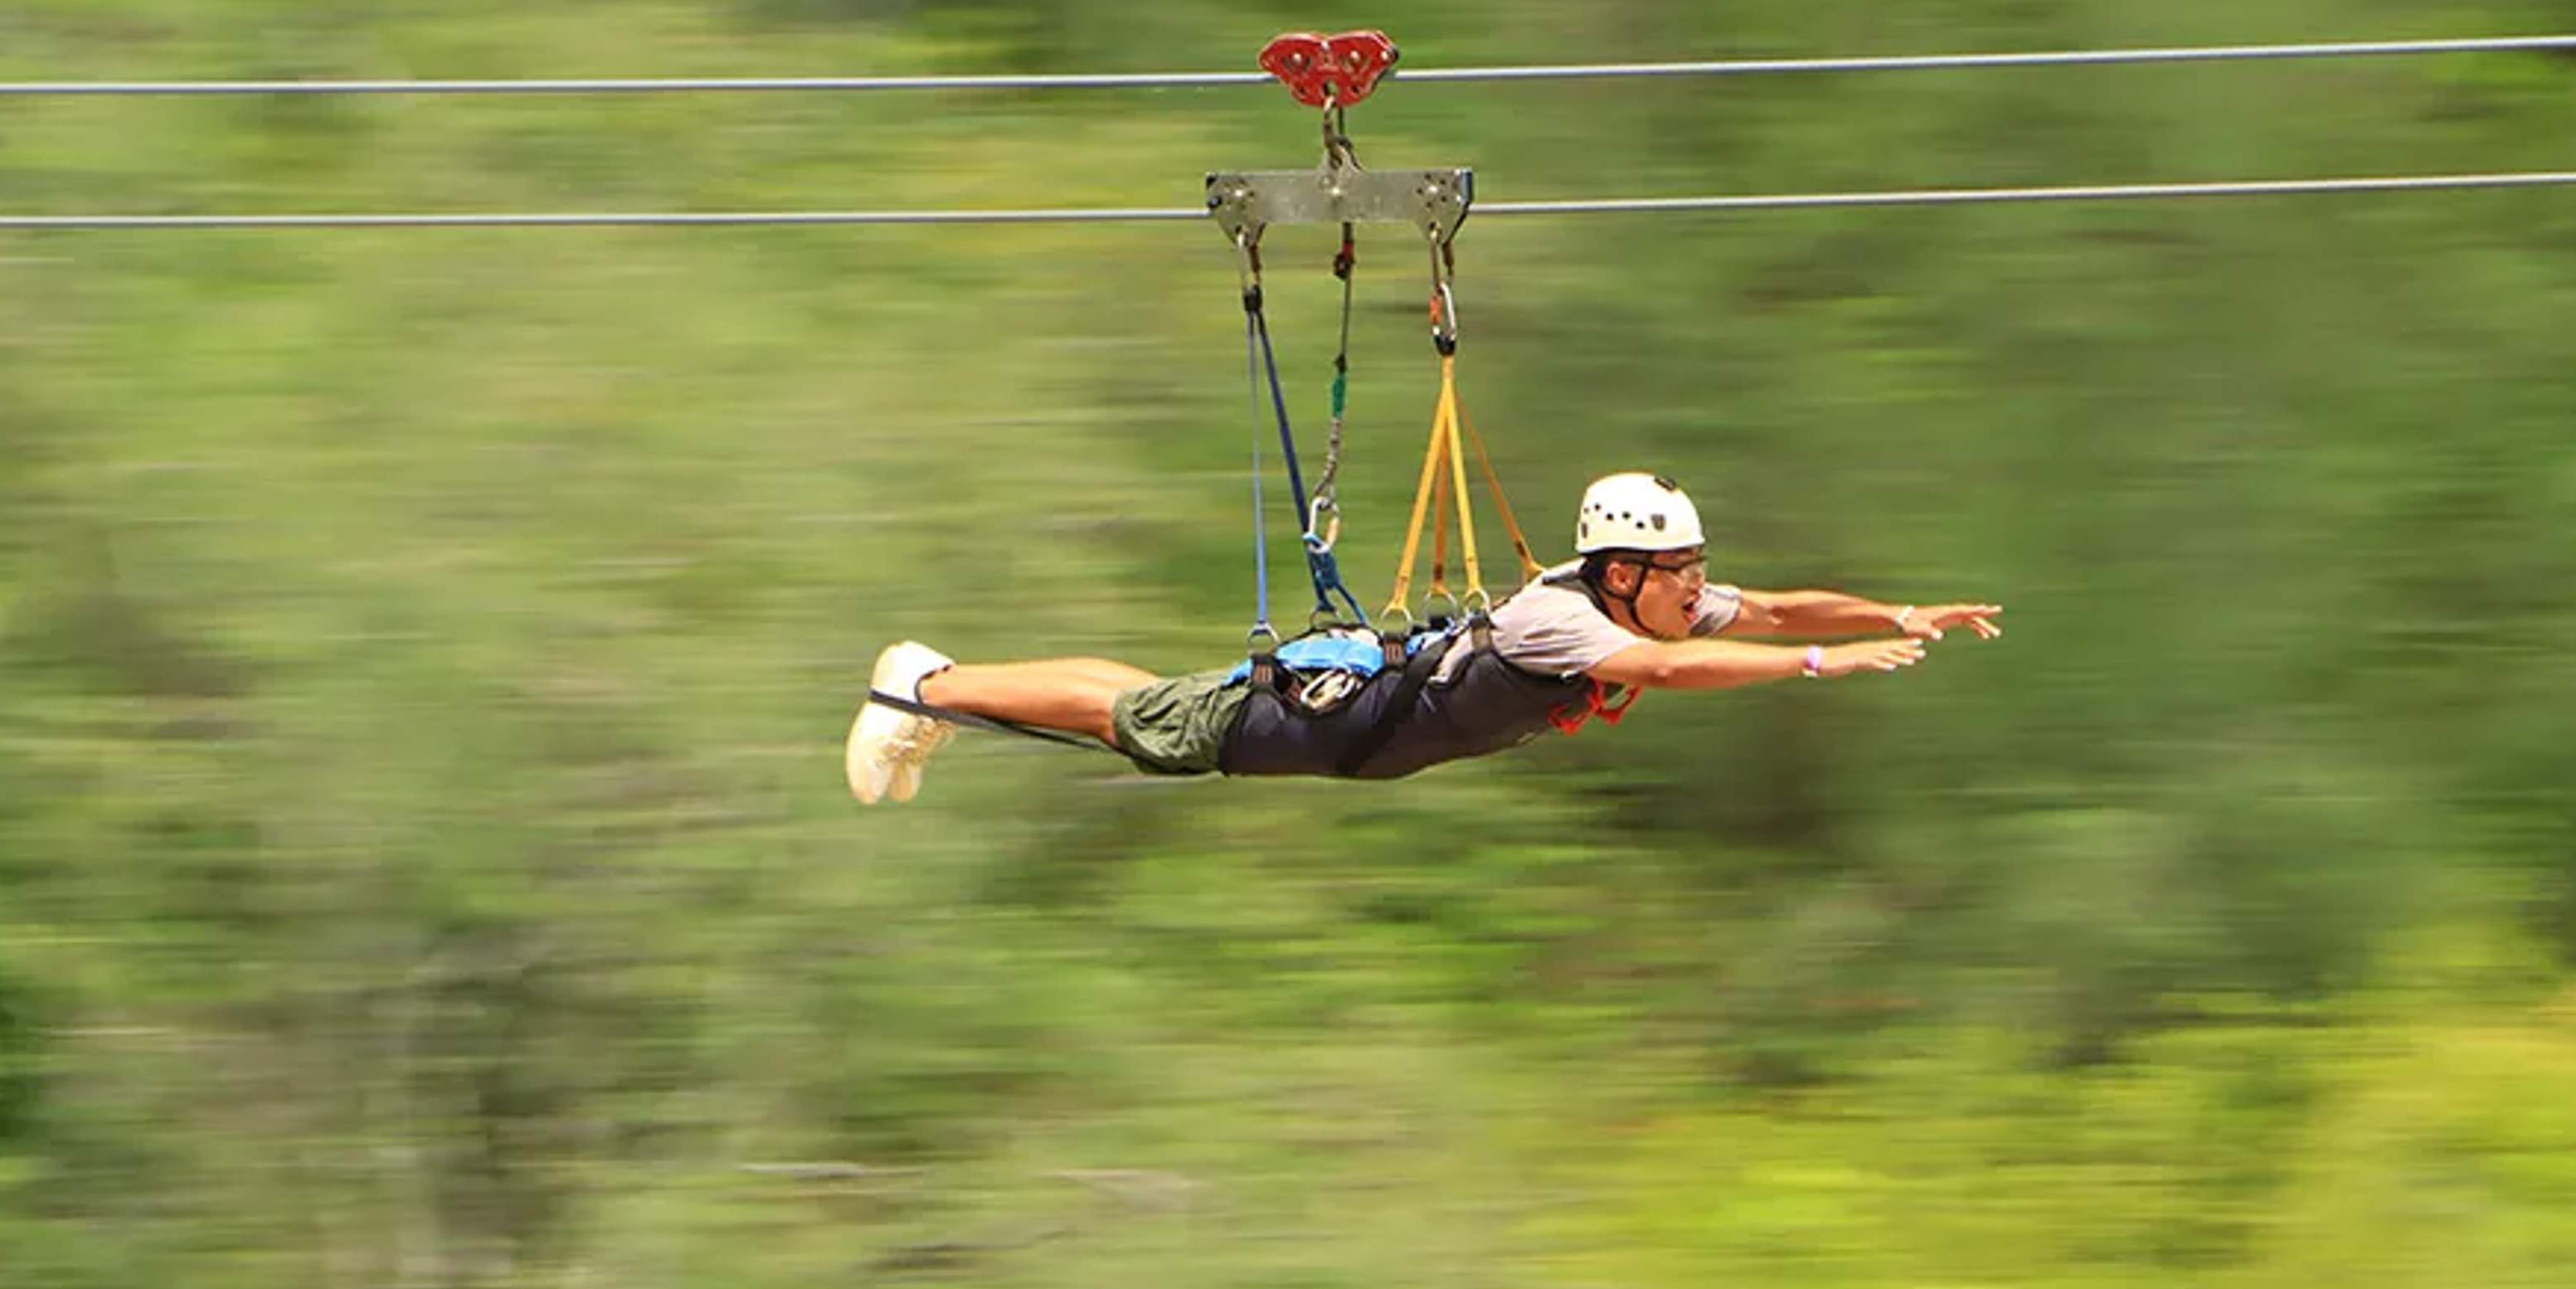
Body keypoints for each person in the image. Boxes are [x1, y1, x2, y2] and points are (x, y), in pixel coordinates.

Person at [844, 472, 2000, 803]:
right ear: (1625, 570)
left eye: (1698, 572)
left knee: (1150, 706)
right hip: (1333, 722)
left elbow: (1782, 606)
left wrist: (1894, 615)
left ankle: (943, 688)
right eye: (1681, 572)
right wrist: (1816, 669)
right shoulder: (1568, 619)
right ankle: (928, 684)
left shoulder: (1655, 600)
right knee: (1145, 723)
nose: (1700, 590)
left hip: (1357, 728)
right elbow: (1667, 668)